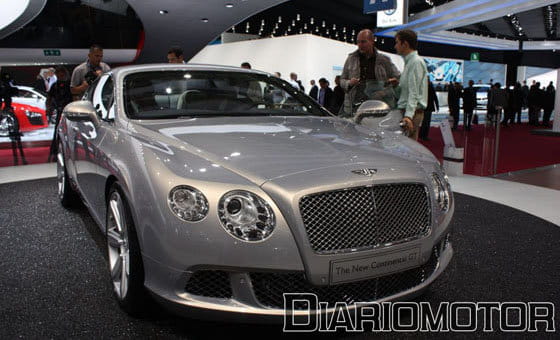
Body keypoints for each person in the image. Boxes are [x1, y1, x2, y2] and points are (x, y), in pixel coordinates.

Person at [340, 29, 400, 116]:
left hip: (378, 106)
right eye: (358, 42)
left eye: (363, 42)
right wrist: (349, 83)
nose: (360, 45)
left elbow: (397, 77)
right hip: (354, 107)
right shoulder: (351, 59)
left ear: (372, 41)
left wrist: (385, 90)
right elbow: (342, 80)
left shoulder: (384, 60)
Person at [393, 29, 427, 140]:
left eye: (397, 42)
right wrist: (396, 85)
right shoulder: (409, 63)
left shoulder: (415, 62)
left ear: (405, 44)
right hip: (408, 112)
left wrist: (408, 116)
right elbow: (406, 92)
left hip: (411, 114)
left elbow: (414, 93)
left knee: (407, 151)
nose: (395, 46)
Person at [47, 66, 73, 161]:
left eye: (62, 74)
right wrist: (49, 108)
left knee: (71, 132)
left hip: (70, 111)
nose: (60, 76)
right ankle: (55, 151)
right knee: (57, 132)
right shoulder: (55, 86)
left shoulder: (70, 85)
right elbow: (49, 97)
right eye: (58, 74)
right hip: (59, 110)